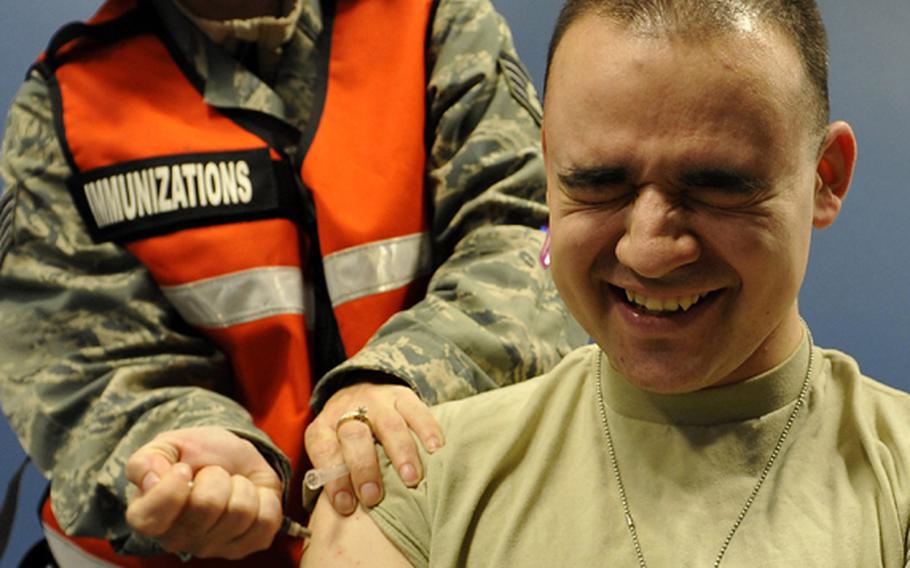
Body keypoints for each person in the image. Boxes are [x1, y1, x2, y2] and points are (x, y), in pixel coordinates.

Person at [300, 0, 910, 566]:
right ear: (546, 166)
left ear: (824, 178)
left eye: (718, 187)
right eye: (597, 184)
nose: (648, 251)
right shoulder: (404, 486)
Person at [0, 0, 586, 565]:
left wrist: (396, 379)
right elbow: (75, 370)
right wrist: (185, 460)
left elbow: (532, 236)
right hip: (184, 554)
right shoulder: (64, 104)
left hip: (418, 521)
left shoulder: (430, 21)